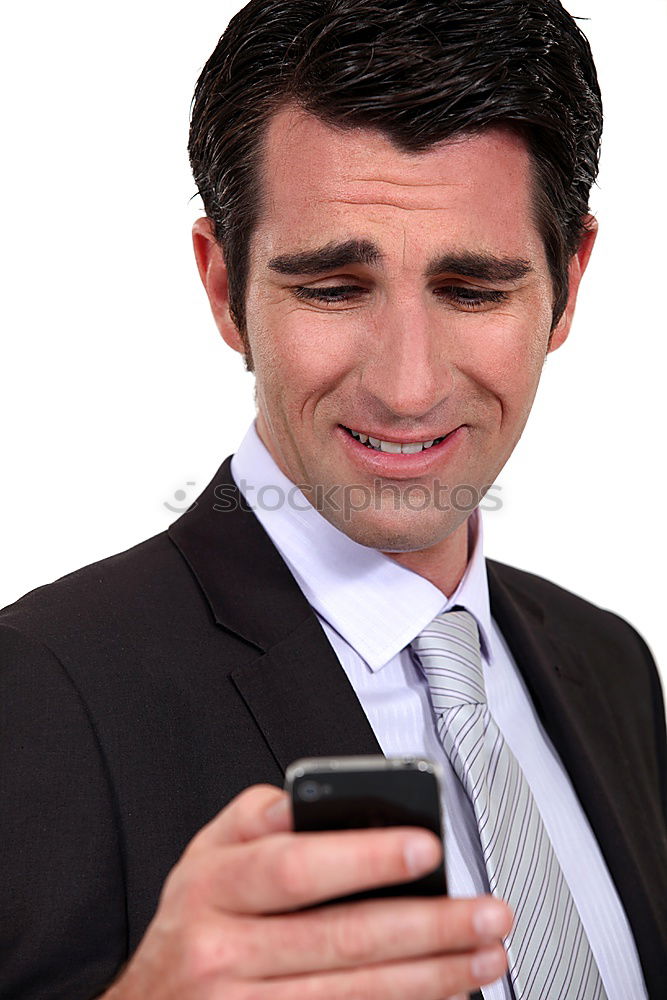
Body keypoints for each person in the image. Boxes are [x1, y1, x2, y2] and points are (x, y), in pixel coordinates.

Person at [1, 0, 665, 998]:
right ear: (224, 287)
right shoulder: (37, 694)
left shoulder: (612, 663)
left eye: (473, 290)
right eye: (332, 287)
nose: (406, 385)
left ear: (566, 283)